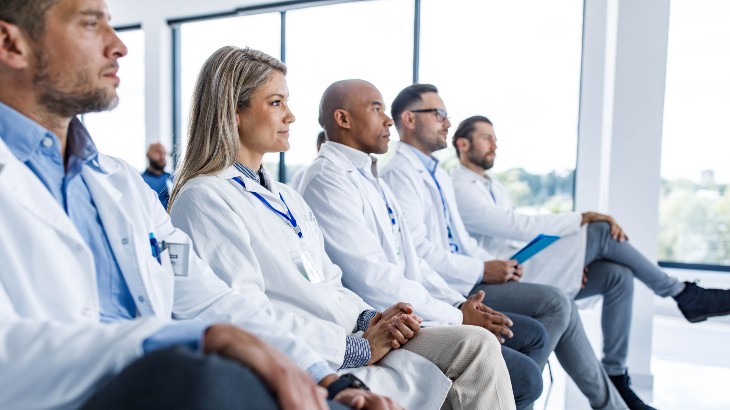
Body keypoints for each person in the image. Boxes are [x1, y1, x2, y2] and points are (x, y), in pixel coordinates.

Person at [0, 1, 378, 408]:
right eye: (92, 25)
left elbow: (210, 299)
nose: (119, 46)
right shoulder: (200, 194)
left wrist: (328, 379)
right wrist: (197, 338)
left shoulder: (119, 184)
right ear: (11, 44)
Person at [168, 46, 515, 410]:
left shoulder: (286, 196)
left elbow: (330, 282)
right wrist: (357, 346)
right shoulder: (205, 198)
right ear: (233, 112)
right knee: (484, 362)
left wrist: (375, 318)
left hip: (350, 334)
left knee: (478, 345)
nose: (291, 116)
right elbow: (243, 313)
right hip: (309, 355)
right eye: (275, 103)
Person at [450, 115, 730, 409]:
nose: (495, 144)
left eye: (495, 137)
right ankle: (684, 294)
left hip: (521, 264)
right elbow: (517, 226)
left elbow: (517, 237)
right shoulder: (460, 187)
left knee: (615, 275)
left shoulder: (492, 186)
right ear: (463, 143)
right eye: (486, 137)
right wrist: (580, 217)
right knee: (599, 230)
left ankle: (616, 373)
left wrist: (573, 260)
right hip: (499, 275)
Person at [299, 79, 547, 410]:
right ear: (343, 119)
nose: (388, 120)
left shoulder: (369, 176)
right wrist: (457, 318)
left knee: (527, 347)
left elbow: (414, 263)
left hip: (413, 310)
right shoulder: (328, 180)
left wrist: (459, 306)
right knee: (526, 376)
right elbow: (372, 277)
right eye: (377, 109)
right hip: (388, 321)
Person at [381, 84, 630, 410]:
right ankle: (520, 396)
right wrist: (482, 271)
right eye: (438, 113)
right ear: (409, 120)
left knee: (581, 294)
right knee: (556, 303)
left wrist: (496, 266)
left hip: (467, 278)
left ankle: (523, 397)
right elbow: (419, 252)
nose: (446, 121)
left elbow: (461, 240)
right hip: (455, 284)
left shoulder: (436, 174)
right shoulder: (401, 174)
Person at [141, 142, 173, 208]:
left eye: (164, 153)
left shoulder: (173, 179)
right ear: (148, 154)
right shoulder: (141, 181)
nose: (162, 156)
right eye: (158, 152)